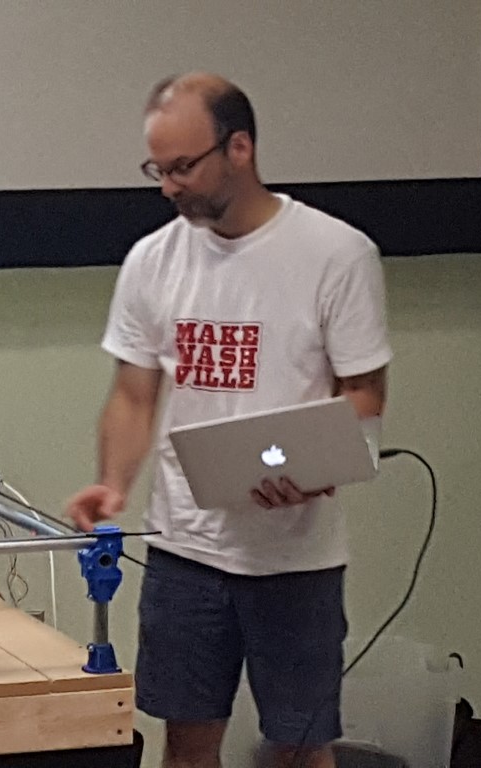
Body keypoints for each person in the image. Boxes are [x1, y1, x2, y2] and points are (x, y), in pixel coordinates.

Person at [66, 72, 392, 768]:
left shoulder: (336, 254)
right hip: (185, 548)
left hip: (295, 555)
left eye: (183, 166)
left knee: (300, 745)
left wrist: (311, 468)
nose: (168, 186)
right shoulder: (152, 260)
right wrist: (113, 484)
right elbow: (133, 394)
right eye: (157, 169)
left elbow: (364, 392)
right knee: (186, 745)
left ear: (239, 148)